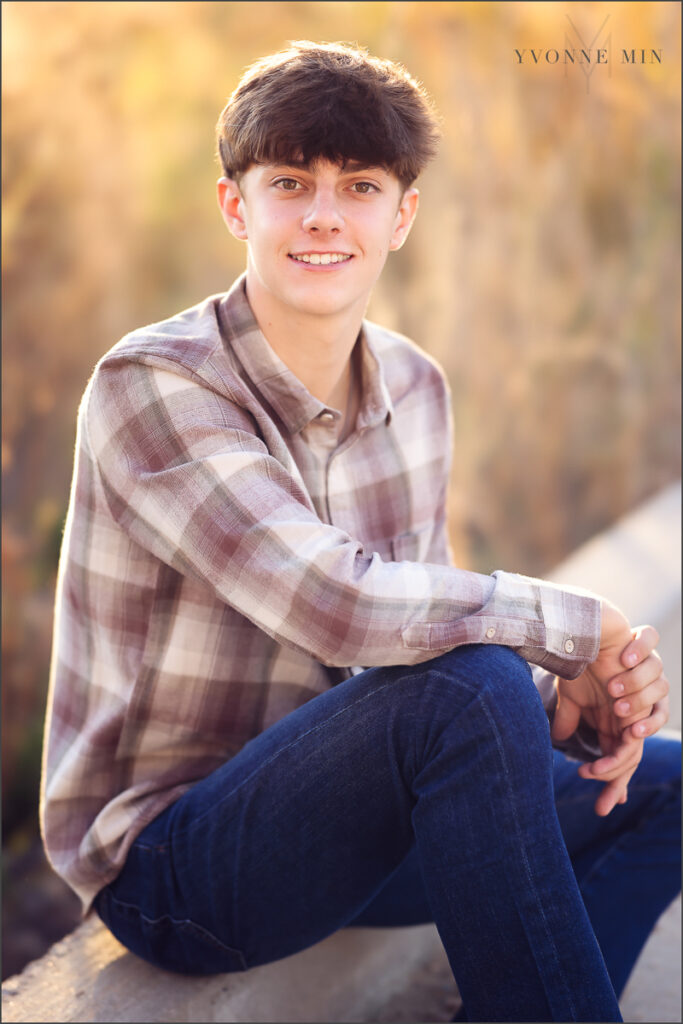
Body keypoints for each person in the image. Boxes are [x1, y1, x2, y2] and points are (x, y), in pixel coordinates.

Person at [40, 41, 680, 1022]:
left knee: (664, 785)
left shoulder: (415, 387)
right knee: (474, 684)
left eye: (360, 185)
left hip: (348, 828)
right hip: (178, 866)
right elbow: (339, 605)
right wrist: (575, 626)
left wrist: (571, 701)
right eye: (289, 182)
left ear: (401, 217)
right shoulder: (155, 386)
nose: (324, 214)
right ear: (234, 206)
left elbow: (423, 628)